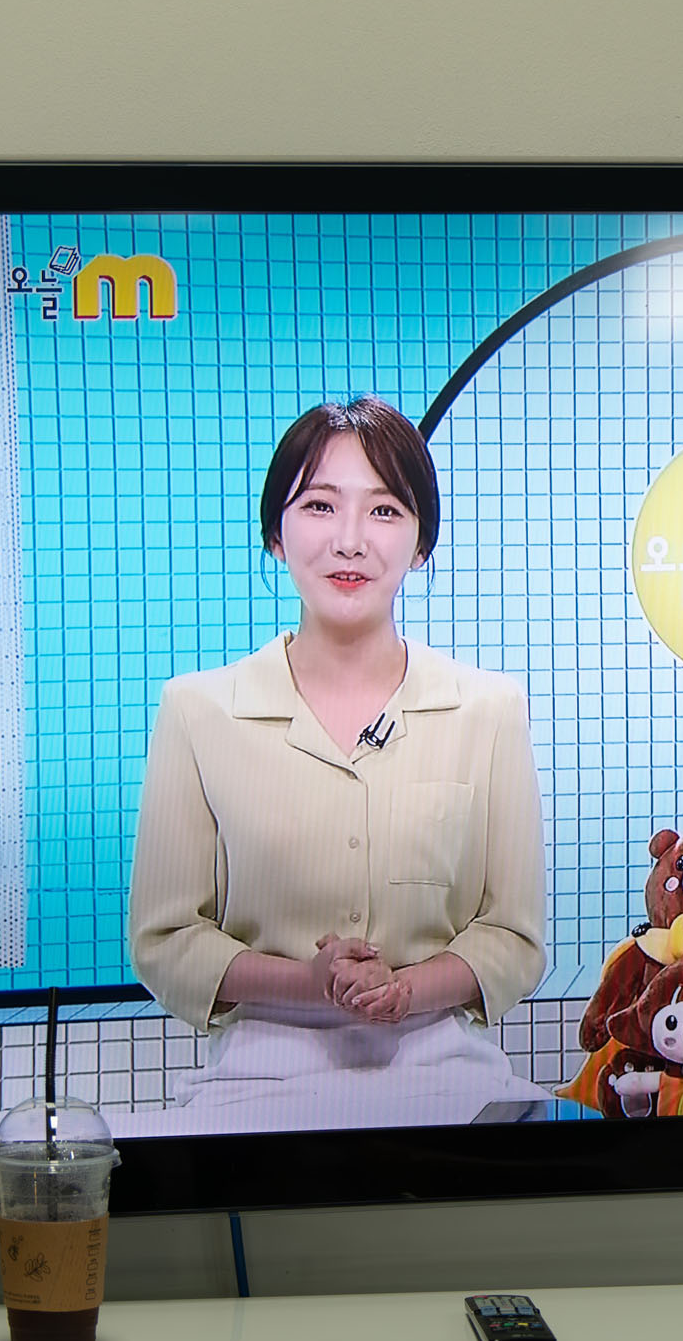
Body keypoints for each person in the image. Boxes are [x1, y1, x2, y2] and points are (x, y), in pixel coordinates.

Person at [128, 396, 547, 1123]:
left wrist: (404, 993)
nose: (350, 541)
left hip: (451, 1080)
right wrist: (310, 983)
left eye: (384, 510)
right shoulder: (197, 710)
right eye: (320, 506)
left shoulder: (490, 709)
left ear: (421, 542)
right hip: (255, 1084)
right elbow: (165, 941)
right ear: (276, 534)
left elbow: (513, 935)